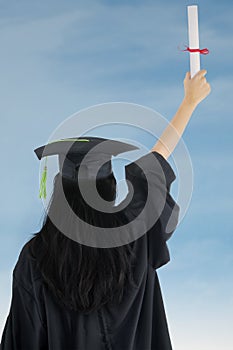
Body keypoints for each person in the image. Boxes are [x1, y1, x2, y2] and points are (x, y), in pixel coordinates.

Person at [0, 70, 211, 350]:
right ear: (111, 190)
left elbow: (23, 339)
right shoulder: (135, 235)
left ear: (59, 192)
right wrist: (189, 103)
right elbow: (153, 166)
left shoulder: (36, 258)